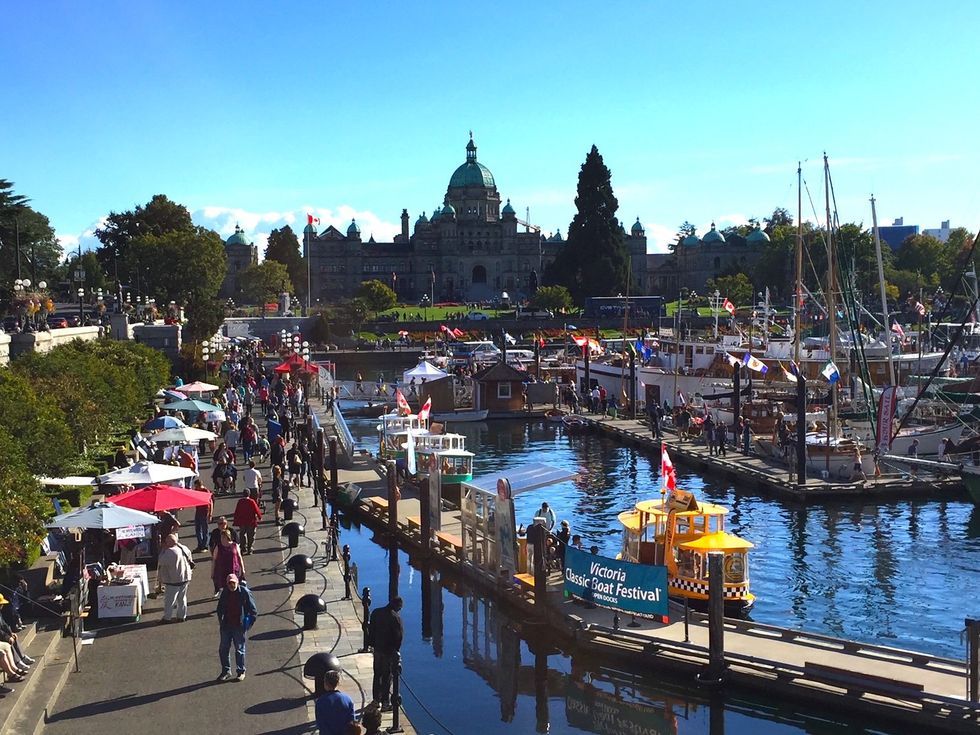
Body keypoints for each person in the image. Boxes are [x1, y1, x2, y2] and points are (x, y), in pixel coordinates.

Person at [216, 573, 258, 682]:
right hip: (226, 625)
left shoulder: (244, 592)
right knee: (223, 649)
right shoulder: (225, 592)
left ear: (237, 582)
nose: (231, 585)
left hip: (239, 626)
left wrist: (247, 624)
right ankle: (226, 671)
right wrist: (221, 621)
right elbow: (219, 608)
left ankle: (241, 671)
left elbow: (253, 611)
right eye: (229, 583)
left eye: (233, 583)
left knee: (239, 650)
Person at [368, 596, 404, 710]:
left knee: (377, 674)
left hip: (377, 649)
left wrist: (373, 644)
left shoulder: (376, 612)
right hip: (388, 652)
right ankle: (385, 702)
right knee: (387, 676)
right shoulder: (395, 618)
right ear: (397, 606)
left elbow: (371, 630)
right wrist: (396, 651)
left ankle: (375, 700)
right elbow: (399, 637)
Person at [157, 533, 193, 623]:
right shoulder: (184, 548)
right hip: (185, 577)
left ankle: (167, 617)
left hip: (174, 579)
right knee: (182, 598)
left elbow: (161, 561)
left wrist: (163, 551)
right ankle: (182, 616)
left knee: (170, 600)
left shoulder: (170, 552)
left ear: (169, 542)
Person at [315, 669, 356, 735]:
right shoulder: (347, 699)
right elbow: (352, 721)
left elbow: (321, 724)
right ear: (338, 682)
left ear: (325, 683)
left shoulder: (320, 702)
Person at [211, 528, 245, 595]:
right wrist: (212, 572)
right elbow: (214, 559)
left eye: (223, 537)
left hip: (234, 569)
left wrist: (243, 569)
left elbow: (239, 557)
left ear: (228, 537)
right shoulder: (218, 546)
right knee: (224, 588)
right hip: (222, 570)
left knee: (233, 586)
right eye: (221, 537)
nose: (222, 539)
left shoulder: (235, 546)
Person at [233, 489, 262, 555]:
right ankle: (250, 548)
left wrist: (236, 520)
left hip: (242, 521)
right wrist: (259, 516)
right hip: (251, 521)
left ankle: (243, 547)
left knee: (242, 534)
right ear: (249, 494)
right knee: (251, 535)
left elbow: (237, 512)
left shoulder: (240, 501)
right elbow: (256, 509)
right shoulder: (252, 501)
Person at [193, 480, 213, 552]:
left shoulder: (206, 491)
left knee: (205, 529)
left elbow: (210, 503)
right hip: (198, 511)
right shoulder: (196, 490)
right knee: (198, 529)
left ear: (199, 485)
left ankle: (205, 546)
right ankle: (200, 544)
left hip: (205, 512)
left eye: (196, 486)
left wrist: (210, 514)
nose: (195, 488)